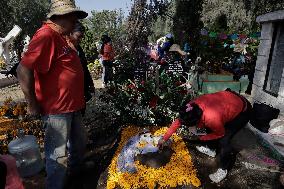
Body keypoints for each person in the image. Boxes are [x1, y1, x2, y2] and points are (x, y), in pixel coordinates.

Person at [16, 0, 88, 188]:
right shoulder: (46, 36)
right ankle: (56, 185)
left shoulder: (61, 36)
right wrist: (31, 103)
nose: (75, 23)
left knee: (79, 143)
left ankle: (77, 169)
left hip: (71, 105)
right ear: (60, 17)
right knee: (57, 156)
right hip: (57, 110)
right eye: (73, 19)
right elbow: (23, 69)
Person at [158, 89, 252, 183]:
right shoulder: (190, 108)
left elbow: (220, 133)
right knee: (210, 129)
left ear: (196, 121)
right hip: (227, 102)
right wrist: (164, 138)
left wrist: (203, 138)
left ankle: (223, 169)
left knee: (224, 140)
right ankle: (212, 150)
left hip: (243, 111)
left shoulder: (211, 118)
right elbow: (178, 122)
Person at [69, 21, 95, 105]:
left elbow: (84, 68)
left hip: (81, 91)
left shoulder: (79, 49)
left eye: (82, 37)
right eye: (78, 36)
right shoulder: (63, 49)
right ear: (70, 33)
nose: (80, 40)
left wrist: (90, 84)